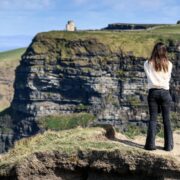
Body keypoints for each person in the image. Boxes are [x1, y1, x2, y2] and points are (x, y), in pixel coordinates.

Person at [143, 42, 174, 151]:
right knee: (167, 120)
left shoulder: (147, 63)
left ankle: (150, 145)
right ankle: (168, 146)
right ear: (165, 51)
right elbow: (168, 78)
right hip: (165, 92)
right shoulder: (169, 64)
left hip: (153, 92)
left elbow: (148, 76)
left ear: (154, 50)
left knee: (153, 119)